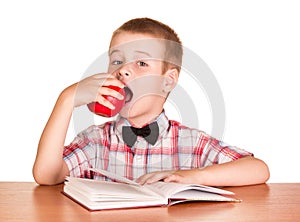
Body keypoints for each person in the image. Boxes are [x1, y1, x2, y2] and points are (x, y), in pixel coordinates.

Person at [33, 17, 270, 186]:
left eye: (141, 63)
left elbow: (258, 169)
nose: (124, 70)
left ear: (168, 81)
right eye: (117, 62)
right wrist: (66, 99)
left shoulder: (192, 142)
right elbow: (46, 176)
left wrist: (192, 176)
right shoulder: (94, 141)